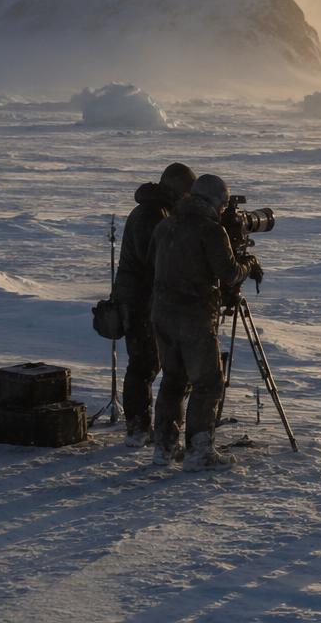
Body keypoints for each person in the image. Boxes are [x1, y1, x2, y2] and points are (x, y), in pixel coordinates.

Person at [149, 173, 258, 471]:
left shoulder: (166, 225)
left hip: (162, 313)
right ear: (214, 201)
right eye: (223, 204)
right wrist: (248, 265)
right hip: (194, 316)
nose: (223, 211)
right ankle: (200, 451)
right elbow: (229, 273)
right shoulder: (210, 230)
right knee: (207, 383)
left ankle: (164, 447)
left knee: (173, 379)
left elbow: (151, 262)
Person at [111, 162, 196, 447]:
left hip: (144, 298)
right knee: (143, 364)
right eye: (187, 192)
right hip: (140, 300)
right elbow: (156, 260)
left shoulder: (159, 211)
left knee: (146, 364)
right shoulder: (152, 214)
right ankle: (138, 427)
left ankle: (141, 426)